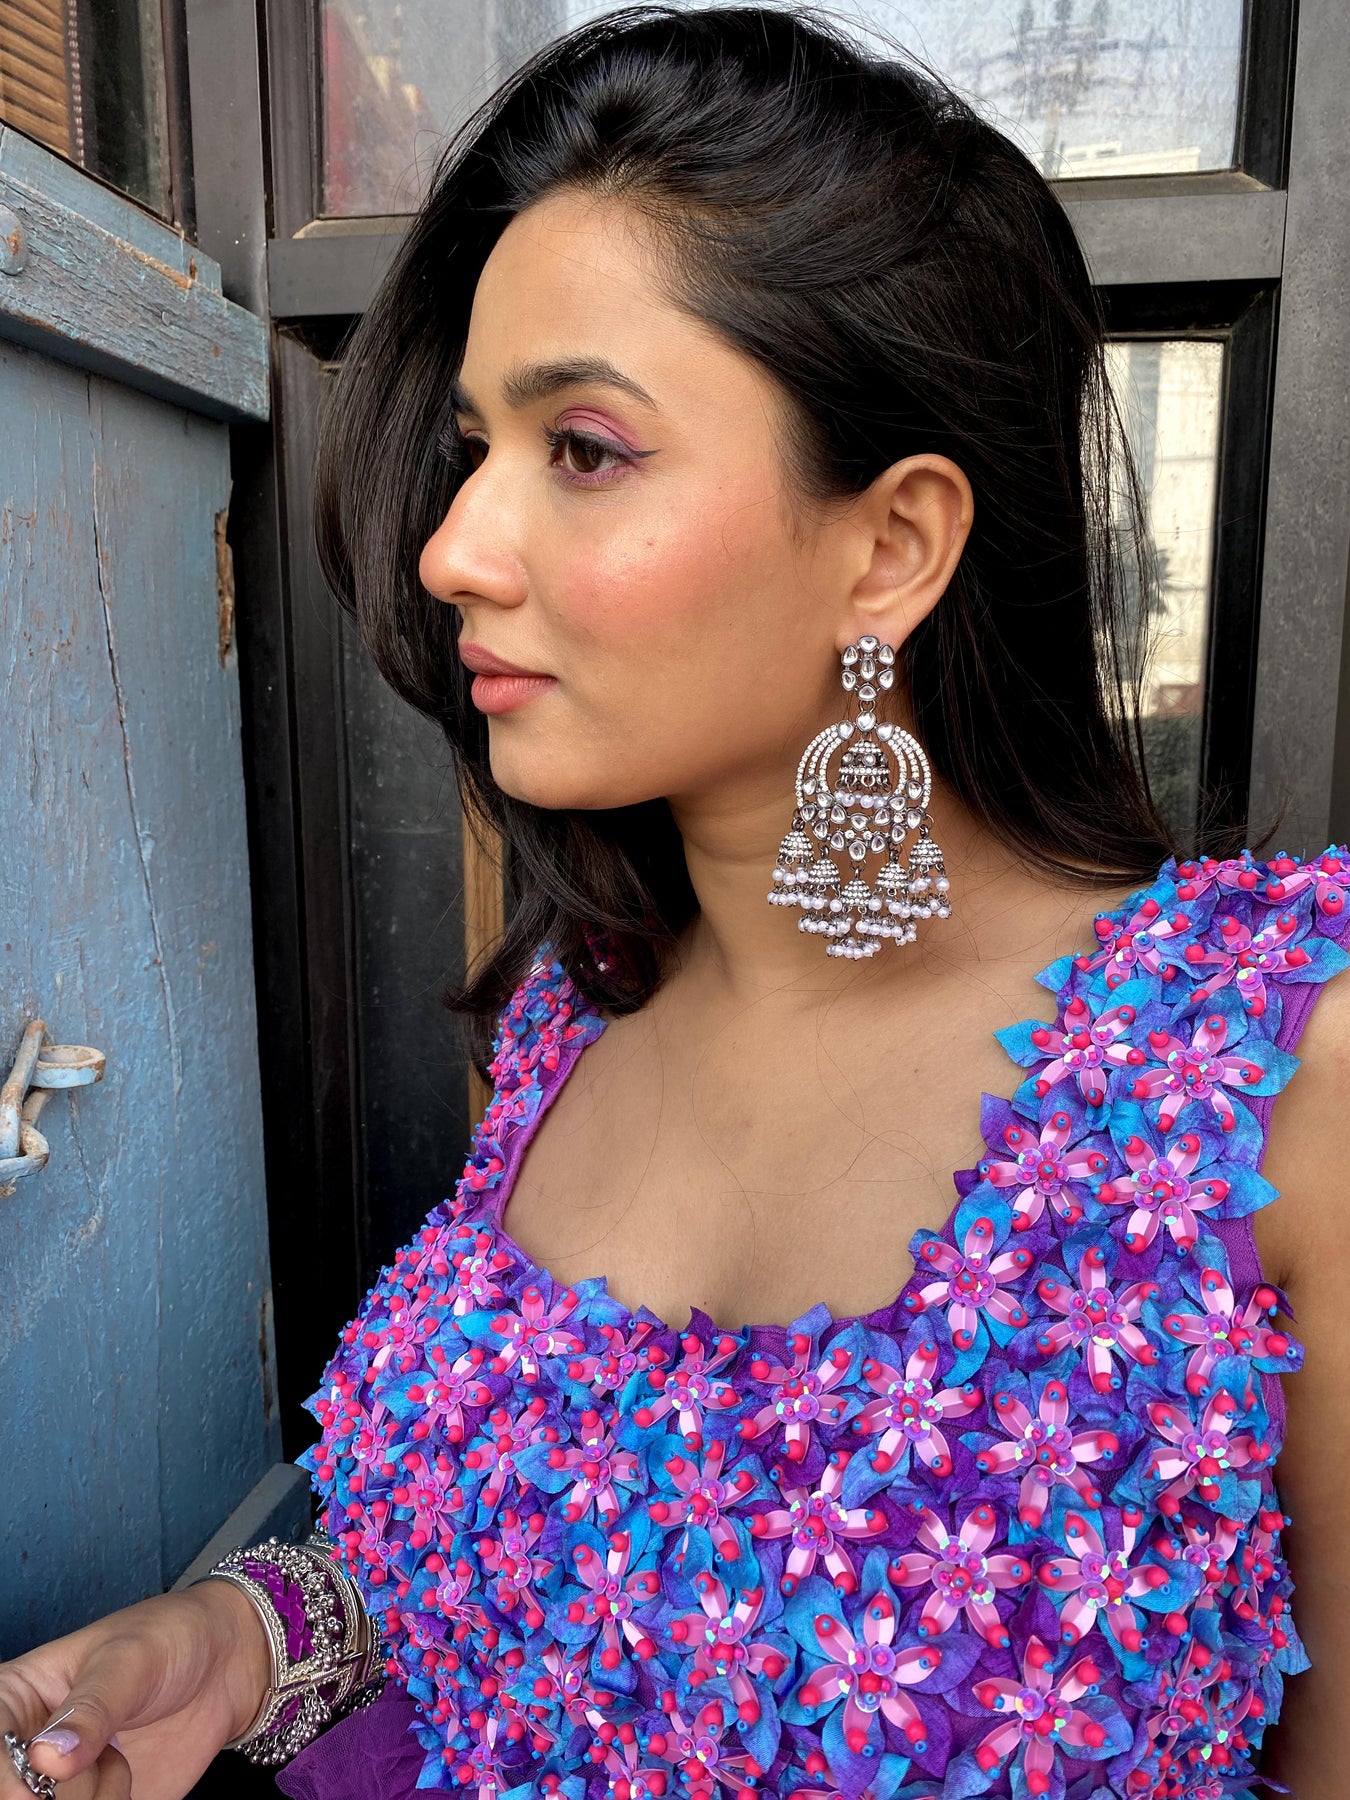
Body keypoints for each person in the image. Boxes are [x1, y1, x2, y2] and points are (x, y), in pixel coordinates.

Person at [3, 6, 1348, 1798]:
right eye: (475, 445)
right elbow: (553, 1570)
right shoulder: (578, 1011)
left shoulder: (1281, 1078)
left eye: (583, 448)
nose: (451, 548)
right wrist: (252, 1640)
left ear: (890, 544)